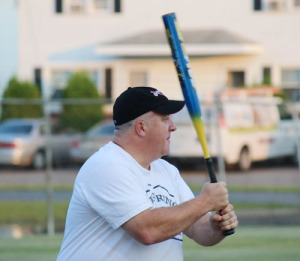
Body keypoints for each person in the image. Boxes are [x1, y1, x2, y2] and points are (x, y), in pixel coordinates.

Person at [57, 86, 238, 261]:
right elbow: (146, 230)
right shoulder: (107, 166)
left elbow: (198, 229)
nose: (173, 127)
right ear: (141, 127)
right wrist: (205, 201)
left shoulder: (166, 170)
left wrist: (217, 227)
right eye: (165, 119)